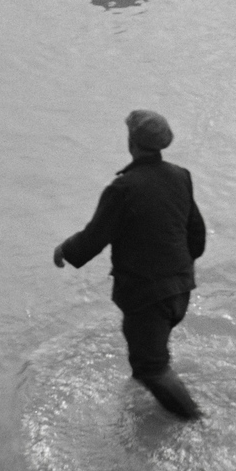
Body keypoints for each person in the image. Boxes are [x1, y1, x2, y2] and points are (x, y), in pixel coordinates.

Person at [54, 110, 206, 420]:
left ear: (131, 142)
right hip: (179, 290)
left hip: (147, 296)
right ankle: (143, 417)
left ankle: (196, 422)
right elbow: (197, 235)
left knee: (151, 368)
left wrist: (64, 250)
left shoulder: (122, 189)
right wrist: (180, 271)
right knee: (145, 358)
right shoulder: (180, 176)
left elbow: (94, 238)